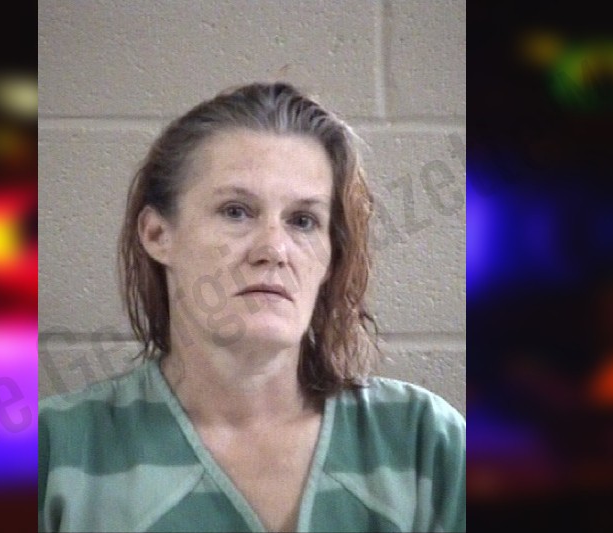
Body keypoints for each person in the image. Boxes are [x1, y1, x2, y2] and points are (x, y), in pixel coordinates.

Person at [38, 82, 466, 532]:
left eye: (303, 221)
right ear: (158, 235)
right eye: (236, 211)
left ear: (330, 257)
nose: (273, 249)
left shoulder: (423, 442)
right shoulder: (55, 454)